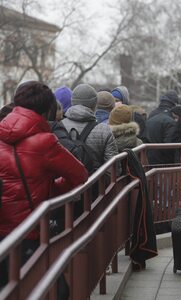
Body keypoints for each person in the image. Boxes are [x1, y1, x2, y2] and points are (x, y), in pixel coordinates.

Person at [0, 81, 88, 287]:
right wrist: (52, 188)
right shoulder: (45, 142)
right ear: (47, 110)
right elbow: (79, 175)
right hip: (28, 232)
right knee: (52, 289)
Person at [61, 83, 120, 171]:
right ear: (94, 104)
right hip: (95, 183)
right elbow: (114, 170)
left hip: (65, 183)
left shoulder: (58, 127)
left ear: (72, 101)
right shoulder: (104, 130)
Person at [145, 91, 178, 165]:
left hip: (148, 160)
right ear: (174, 104)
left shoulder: (152, 114)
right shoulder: (171, 119)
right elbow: (169, 145)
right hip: (164, 163)